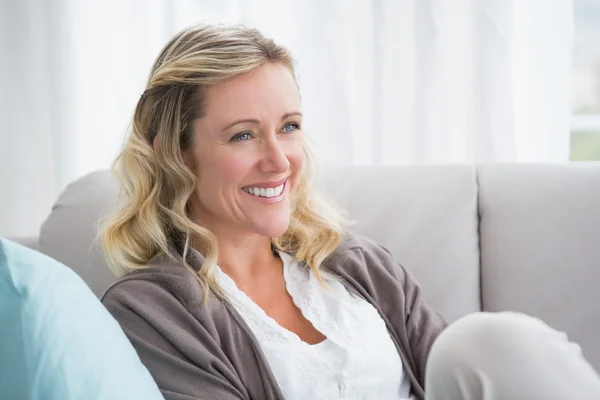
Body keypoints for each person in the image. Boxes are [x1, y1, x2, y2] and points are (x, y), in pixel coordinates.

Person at [100, 24, 600, 400]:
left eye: (289, 126)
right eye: (244, 134)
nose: (279, 161)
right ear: (175, 151)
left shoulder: (359, 266)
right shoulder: (152, 311)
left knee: (485, 341)